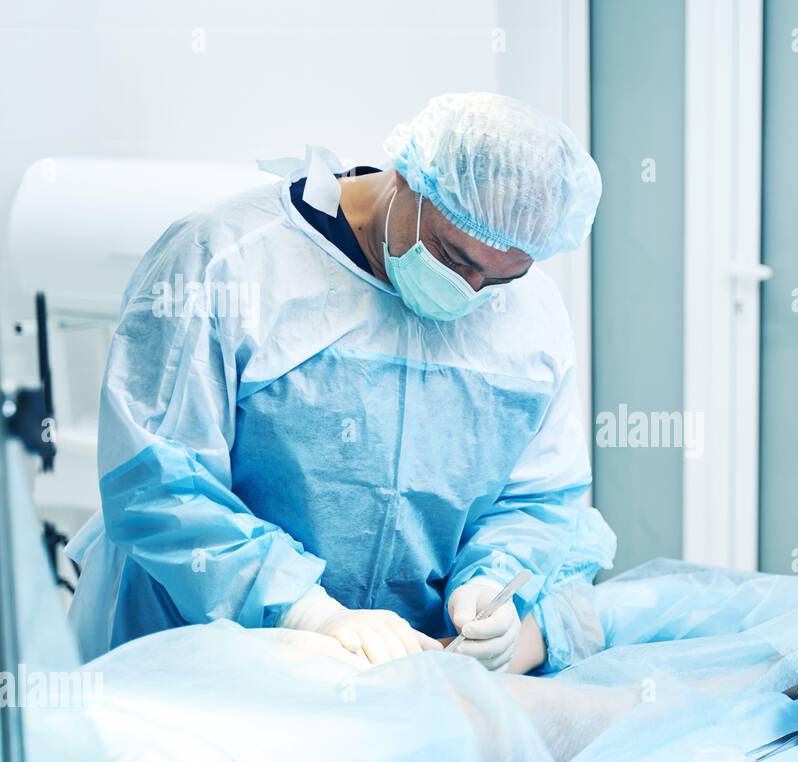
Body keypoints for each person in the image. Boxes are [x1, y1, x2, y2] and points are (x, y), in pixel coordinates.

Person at [67, 92, 613, 674]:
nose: (469, 291)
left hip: (392, 684)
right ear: (409, 177)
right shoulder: (225, 261)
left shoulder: (532, 316)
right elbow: (158, 484)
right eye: (453, 257)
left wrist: (495, 580)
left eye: (499, 277)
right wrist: (302, 611)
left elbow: (536, 498)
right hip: (193, 660)